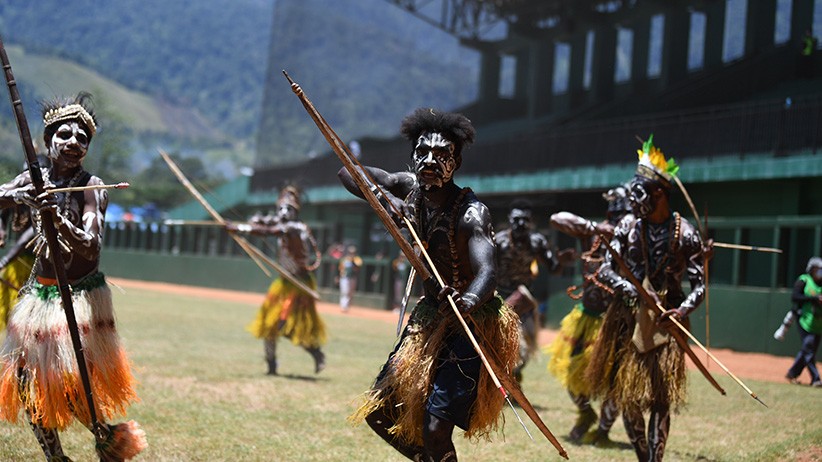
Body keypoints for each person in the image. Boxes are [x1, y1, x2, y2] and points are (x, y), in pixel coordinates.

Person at [339, 108, 520, 461]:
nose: (430, 161)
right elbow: (347, 171)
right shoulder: (406, 190)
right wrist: (385, 198)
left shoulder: (472, 212)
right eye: (423, 153)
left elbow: (488, 272)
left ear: (457, 162)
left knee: (436, 429)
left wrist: (467, 301)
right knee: (380, 412)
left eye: (442, 155)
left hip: (471, 324)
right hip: (429, 317)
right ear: (412, 156)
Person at [0, 93, 145, 460]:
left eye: (82, 138)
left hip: (79, 297)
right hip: (39, 295)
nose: (73, 142)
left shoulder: (92, 186)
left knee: (70, 383)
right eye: (64, 135)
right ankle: (56, 457)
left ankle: (106, 436)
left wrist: (55, 216)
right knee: (26, 381)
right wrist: (26, 196)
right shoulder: (34, 177)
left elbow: (91, 246)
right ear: (47, 141)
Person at [586, 135, 706, 461]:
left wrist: (680, 311)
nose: (634, 199)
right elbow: (607, 270)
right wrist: (627, 288)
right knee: (629, 396)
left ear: (659, 193)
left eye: (640, 192)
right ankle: (644, 458)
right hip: (627, 322)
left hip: (667, 325)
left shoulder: (686, 234)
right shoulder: (626, 226)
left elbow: (700, 286)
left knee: (661, 399)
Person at [547, 184, 633, 445]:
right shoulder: (591, 234)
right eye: (616, 214)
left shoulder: (634, 240)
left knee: (616, 380)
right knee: (573, 372)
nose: (619, 220)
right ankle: (586, 413)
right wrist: (595, 228)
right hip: (586, 317)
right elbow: (556, 219)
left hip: (617, 320)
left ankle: (603, 432)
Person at [227, 186, 326, 376]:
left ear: (296, 212)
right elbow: (262, 224)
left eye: (288, 209)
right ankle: (271, 366)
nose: (283, 213)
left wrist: (238, 228)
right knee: (269, 324)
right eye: (281, 209)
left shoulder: (296, 227)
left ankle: (315, 352)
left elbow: (271, 231)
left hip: (300, 285)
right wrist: (252, 222)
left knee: (286, 325)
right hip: (283, 284)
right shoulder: (279, 222)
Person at [494, 198, 575, 384]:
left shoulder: (537, 242)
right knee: (499, 343)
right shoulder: (499, 241)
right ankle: (502, 381)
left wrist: (561, 261)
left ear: (531, 221)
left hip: (524, 300)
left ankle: (513, 375)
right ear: (509, 219)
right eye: (516, 219)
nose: (520, 224)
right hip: (499, 298)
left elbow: (553, 268)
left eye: (525, 220)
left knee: (526, 347)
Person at [782, 257, 822, 386]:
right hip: (804, 319)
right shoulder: (804, 280)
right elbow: (795, 297)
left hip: (818, 323)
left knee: (808, 350)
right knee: (809, 349)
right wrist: (813, 298)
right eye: (818, 270)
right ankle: (816, 379)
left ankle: (792, 373)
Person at [0, 206, 35, 331]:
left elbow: (27, 237)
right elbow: (2, 214)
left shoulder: (37, 198)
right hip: (13, 267)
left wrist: (4, 260)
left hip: (35, 269)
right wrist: (1, 229)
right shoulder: (14, 192)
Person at [338, 245, 362, 312]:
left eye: (353, 252)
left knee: (350, 293)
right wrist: (339, 276)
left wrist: (353, 261)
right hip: (344, 278)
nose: (351, 253)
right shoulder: (344, 259)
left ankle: (347, 306)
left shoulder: (357, 259)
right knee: (345, 292)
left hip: (352, 278)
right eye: (350, 252)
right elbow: (341, 269)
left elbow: (358, 267)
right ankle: (344, 306)